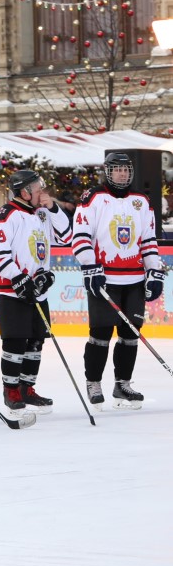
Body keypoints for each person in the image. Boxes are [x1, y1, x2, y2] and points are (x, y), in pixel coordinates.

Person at [72, 151, 165, 409]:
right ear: (108, 171)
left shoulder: (142, 201)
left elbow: (148, 240)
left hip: (134, 279)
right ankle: (94, 383)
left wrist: (154, 271)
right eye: (117, 169)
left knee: (130, 334)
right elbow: (80, 237)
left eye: (126, 169)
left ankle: (122, 384)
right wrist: (91, 267)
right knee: (100, 333)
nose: (122, 173)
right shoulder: (93, 198)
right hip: (105, 278)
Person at [0, 169, 74, 413]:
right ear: (24, 192)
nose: (42, 192)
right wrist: (18, 277)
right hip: (11, 290)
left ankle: (27, 387)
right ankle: (11, 390)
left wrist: (55, 209)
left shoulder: (44, 214)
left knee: (36, 341)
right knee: (15, 341)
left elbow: (66, 237)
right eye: (37, 188)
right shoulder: (5, 215)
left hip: (38, 290)